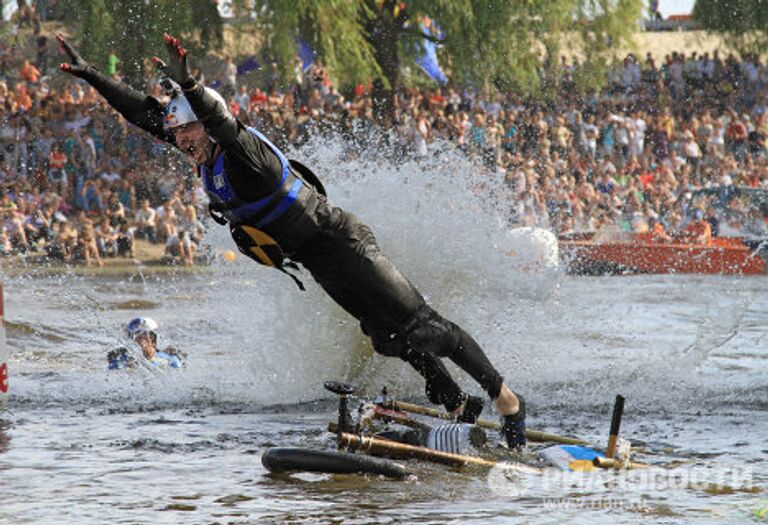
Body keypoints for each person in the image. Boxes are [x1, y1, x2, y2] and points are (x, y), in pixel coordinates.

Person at [59, 33, 526, 448]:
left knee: (426, 328)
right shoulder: (203, 154)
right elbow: (145, 115)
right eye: (177, 132)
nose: (180, 140)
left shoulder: (245, 153)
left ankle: (505, 399)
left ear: (206, 122)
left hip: (344, 242)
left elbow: (223, 123)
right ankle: (455, 403)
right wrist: (92, 77)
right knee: (386, 339)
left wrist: (194, 87)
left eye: (187, 129)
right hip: (318, 260)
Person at [107, 317, 183, 370]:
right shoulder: (120, 360)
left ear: (153, 340)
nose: (138, 343)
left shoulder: (171, 361)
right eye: (133, 338)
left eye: (141, 338)